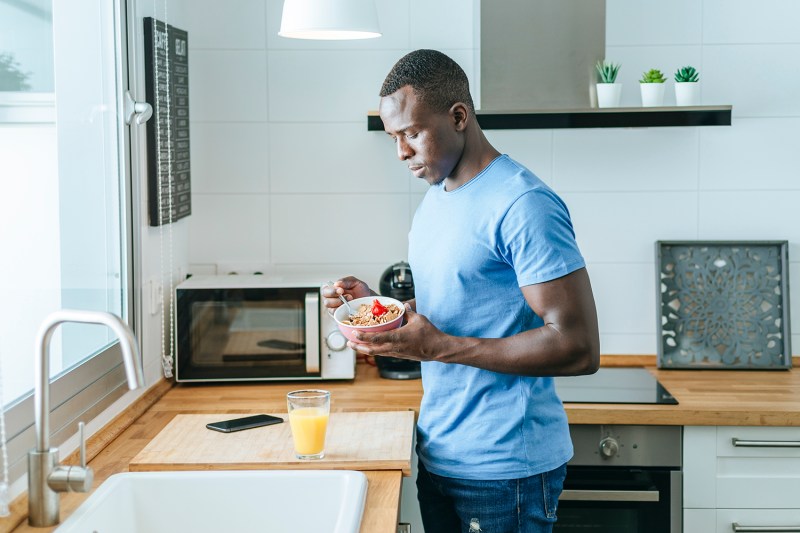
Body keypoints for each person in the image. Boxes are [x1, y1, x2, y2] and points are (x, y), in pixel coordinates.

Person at [323, 49, 600, 533]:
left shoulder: (523, 204)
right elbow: (460, 300)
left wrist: (438, 347)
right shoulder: (438, 197)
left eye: (411, 133)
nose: (401, 153)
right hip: (441, 455)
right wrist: (381, 308)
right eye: (394, 138)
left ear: (458, 116)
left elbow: (577, 347)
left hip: (506, 472)